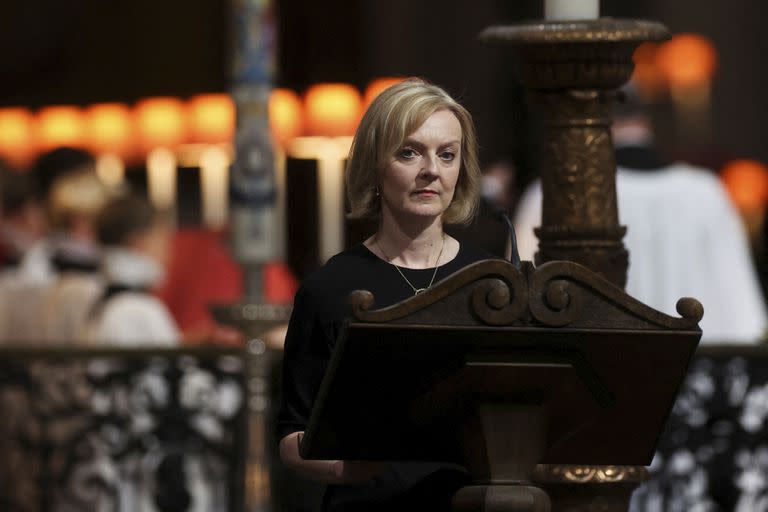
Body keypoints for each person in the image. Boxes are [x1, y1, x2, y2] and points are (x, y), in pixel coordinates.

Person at [278, 79, 493, 511]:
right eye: (409, 152)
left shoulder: (491, 282)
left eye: (447, 154)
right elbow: (291, 436)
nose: (431, 169)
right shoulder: (330, 288)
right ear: (376, 166)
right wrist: (351, 469)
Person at [514, 86, 768, 343]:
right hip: (700, 364)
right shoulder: (706, 192)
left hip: (595, 370)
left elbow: (521, 301)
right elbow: (742, 308)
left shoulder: (555, 191)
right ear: (646, 118)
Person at [80, 194, 179, 346]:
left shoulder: (104, 303)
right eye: (161, 236)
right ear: (137, 242)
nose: (168, 248)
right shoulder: (137, 309)